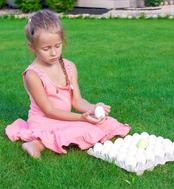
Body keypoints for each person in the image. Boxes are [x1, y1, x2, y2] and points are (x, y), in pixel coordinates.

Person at [5, 9, 131, 158]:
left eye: (57, 46)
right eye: (46, 48)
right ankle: (36, 144)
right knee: (84, 130)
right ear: (32, 47)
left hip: (65, 117)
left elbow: (76, 101)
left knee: (108, 123)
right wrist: (80, 118)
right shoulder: (33, 75)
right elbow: (49, 110)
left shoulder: (69, 67)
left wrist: (93, 108)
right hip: (45, 121)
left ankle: (55, 136)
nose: (53, 53)